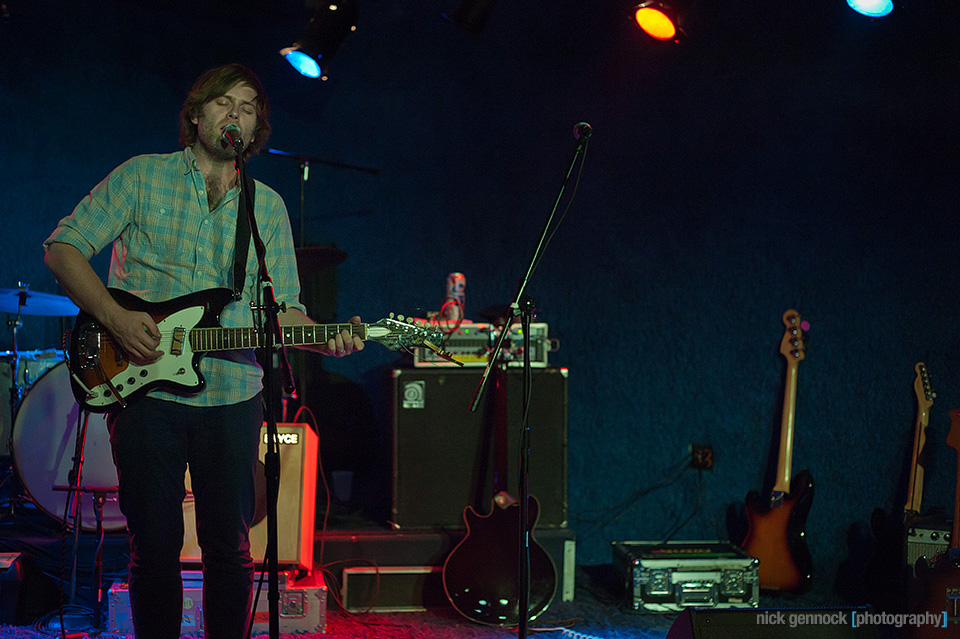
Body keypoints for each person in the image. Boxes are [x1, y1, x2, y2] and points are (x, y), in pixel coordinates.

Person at [43, 63, 363, 639]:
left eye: (247, 107)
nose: (235, 114)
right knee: (155, 549)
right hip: (144, 390)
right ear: (195, 114)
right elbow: (63, 248)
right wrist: (115, 317)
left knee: (230, 551)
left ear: (256, 126)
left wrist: (321, 335)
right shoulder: (142, 177)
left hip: (233, 396)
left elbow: (283, 307)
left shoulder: (265, 207)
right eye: (223, 102)